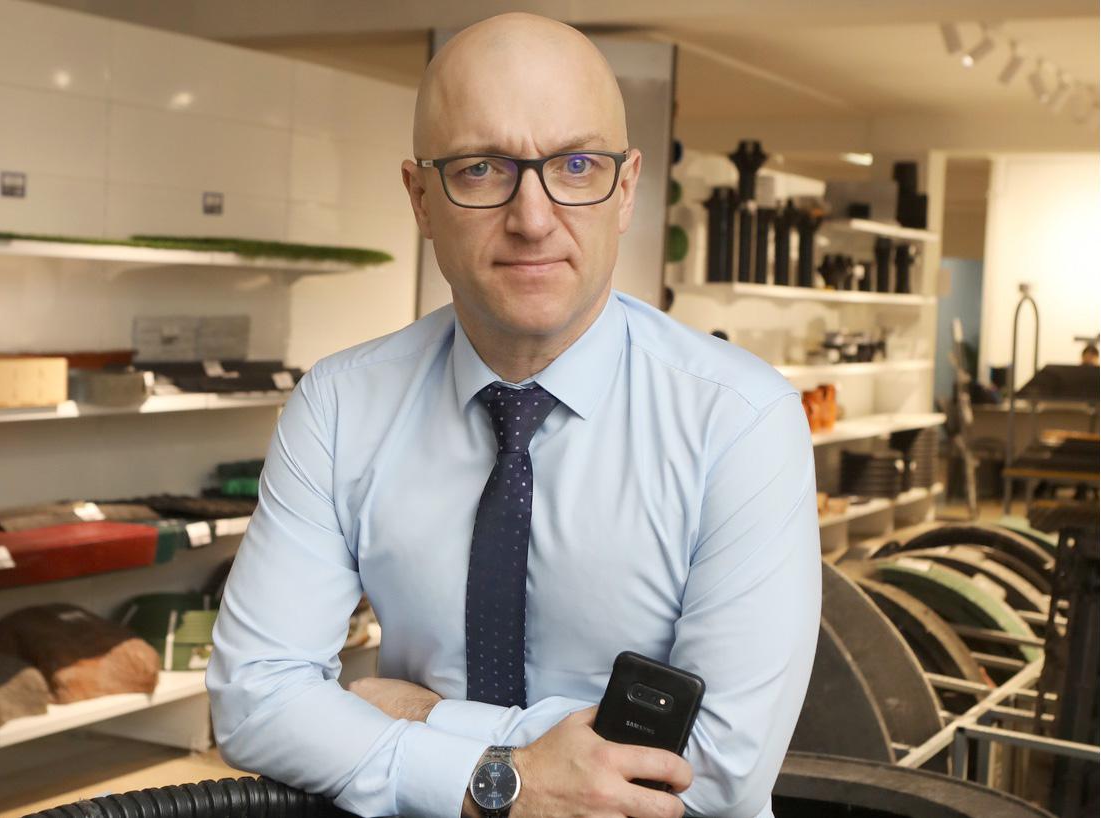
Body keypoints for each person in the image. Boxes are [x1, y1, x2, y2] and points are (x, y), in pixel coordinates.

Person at [208, 13, 820, 818]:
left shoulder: (740, 419)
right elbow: (253, 697)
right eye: (482, 169)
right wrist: (505, 781)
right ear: (421, 198)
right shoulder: (341, 405)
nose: (533, 218)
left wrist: (428, 717)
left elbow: (713, 775)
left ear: (626, 189)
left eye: (576, 165)